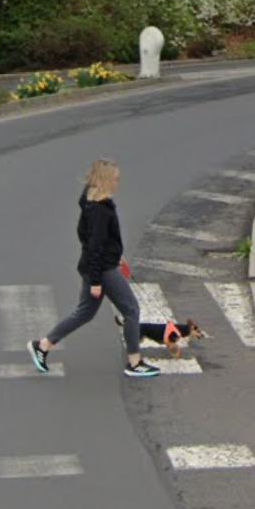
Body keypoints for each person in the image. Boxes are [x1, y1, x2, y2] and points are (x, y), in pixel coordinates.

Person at [29, 159, 158, 378]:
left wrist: (115, 256)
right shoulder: (100, 210)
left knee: (85, 313)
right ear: (105, 180)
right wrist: (97, 281)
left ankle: (42, 346)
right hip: (102, 270)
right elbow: (95, 246)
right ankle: (135, 363)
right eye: (115, 178)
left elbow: (90, 239)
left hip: (98, 266)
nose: (118, 182)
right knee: (131, 310)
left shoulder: (91, 202)